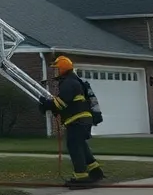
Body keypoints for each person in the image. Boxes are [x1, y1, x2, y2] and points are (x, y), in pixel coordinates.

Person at [39, 55, 105, 187]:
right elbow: (66, 104)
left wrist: (46, 104)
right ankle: (95, 170)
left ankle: (81, 177)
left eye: (56, 69)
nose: (55, 71)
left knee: (74, 146)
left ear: (63, 69)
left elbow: (61, 103)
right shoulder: (73, 81)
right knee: (81, 145)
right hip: (82, 119)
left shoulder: (69, 83)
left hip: (77, 120)